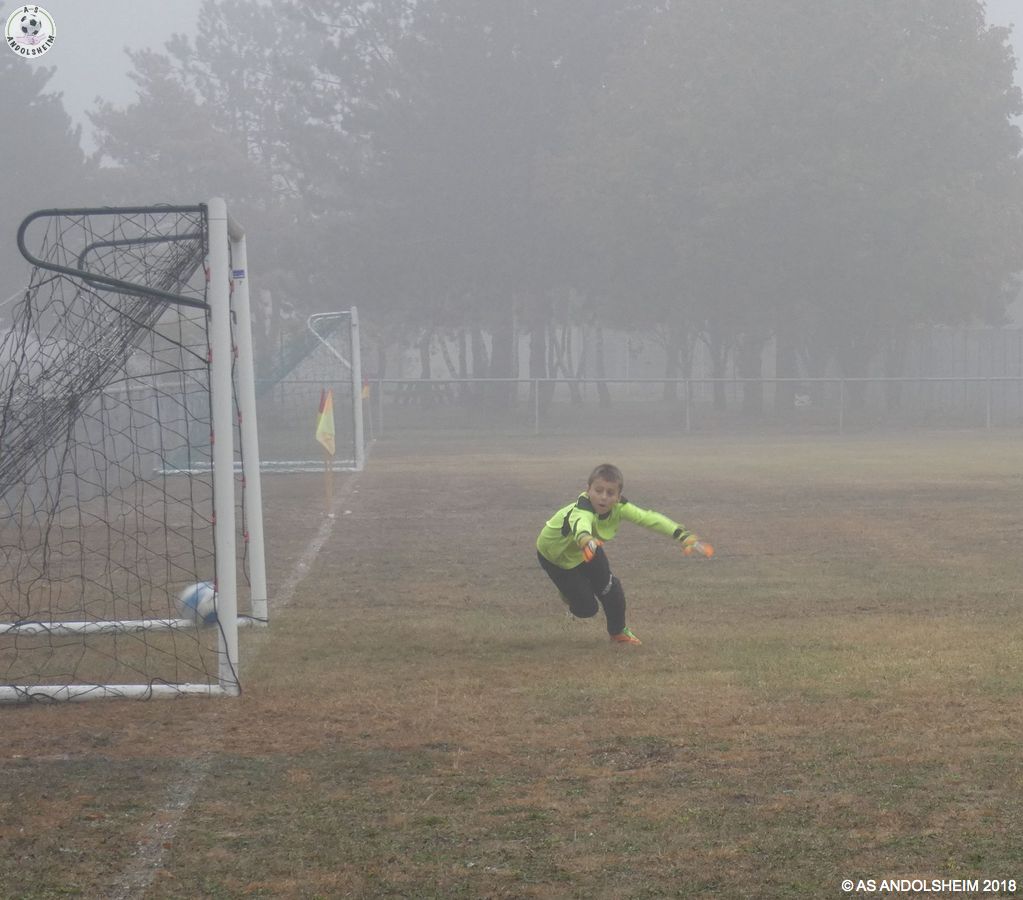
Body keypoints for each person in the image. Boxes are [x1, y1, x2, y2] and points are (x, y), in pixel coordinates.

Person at [536, 463, 713, 645]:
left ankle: (618, 633)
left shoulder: (620, 507)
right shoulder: (582, 509)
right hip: (556, 556)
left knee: (610, 587)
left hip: (589, 547)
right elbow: (581, 524)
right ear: (588, 490)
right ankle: (568, 594)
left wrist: (682, 535)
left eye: (610, 493)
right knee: (587, 609)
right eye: (598, 490)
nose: (604, 497)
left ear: (618, 496)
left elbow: (648, 518)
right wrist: (585, 539)